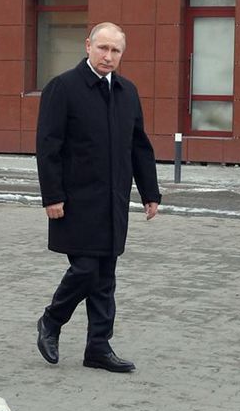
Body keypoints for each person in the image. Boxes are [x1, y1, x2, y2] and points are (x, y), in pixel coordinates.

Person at [34, 22, 161, 373]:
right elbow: (48, 147)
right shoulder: (64, 88)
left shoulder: (127, 92)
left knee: (105, 275)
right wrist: (52, 196)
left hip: (113, 201)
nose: (108, 56)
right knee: (87, 268)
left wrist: (150, 192)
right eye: (102, 48)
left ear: (122, 54)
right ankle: (52, 319)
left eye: (115, 51)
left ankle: (98, 348)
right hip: (75, 201)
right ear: (88, 45)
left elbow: (139, 146)